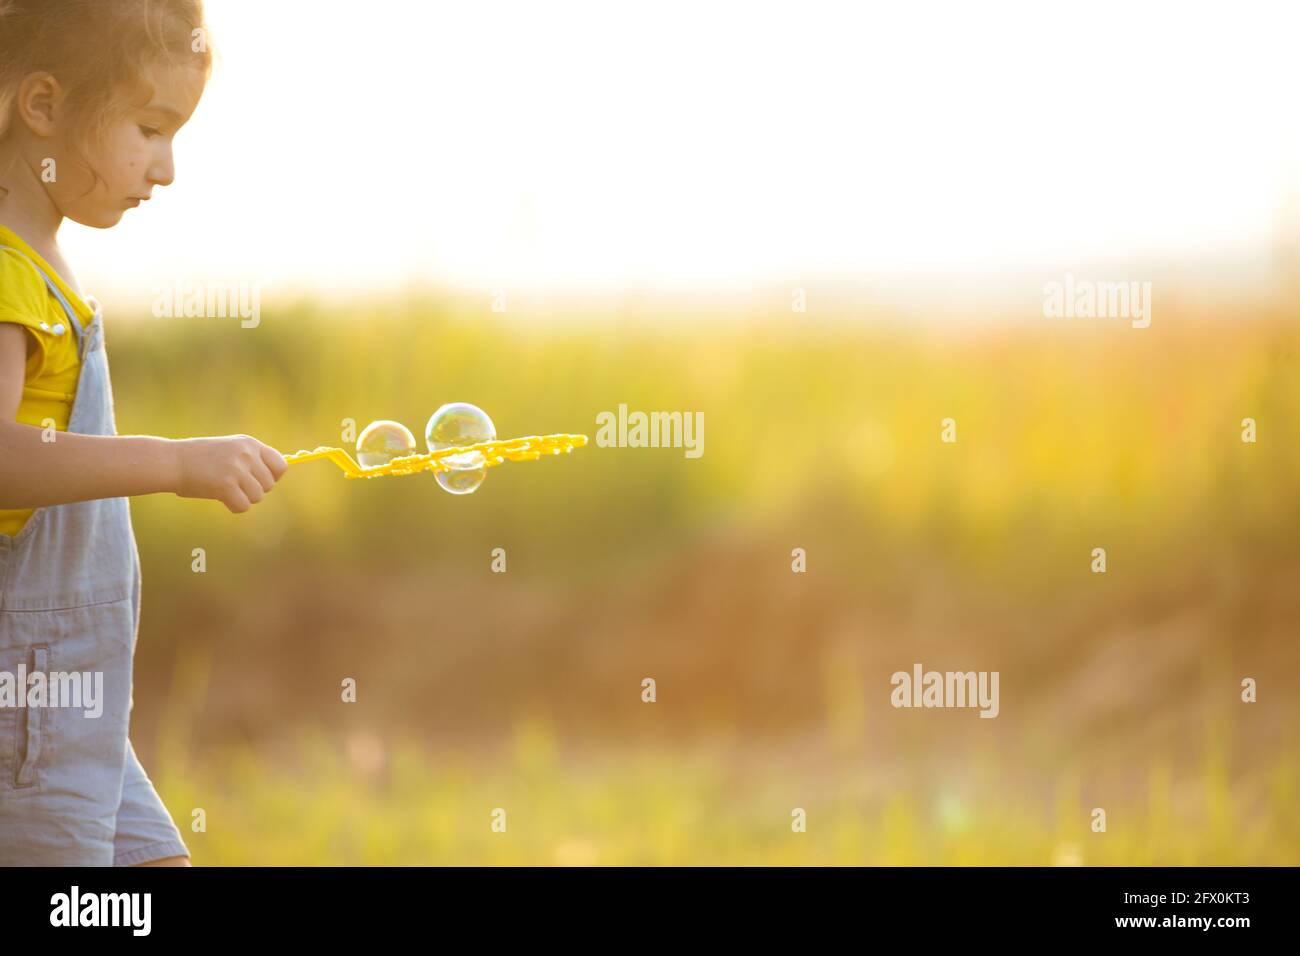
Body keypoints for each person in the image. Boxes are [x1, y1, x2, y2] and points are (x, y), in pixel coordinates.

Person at [0, 0, 285, 865]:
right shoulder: (9, 276)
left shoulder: (44, 263)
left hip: (76, 702)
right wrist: (172, 463)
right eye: (150, 128)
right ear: (43, 107)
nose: (165, 169)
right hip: (32, 697)